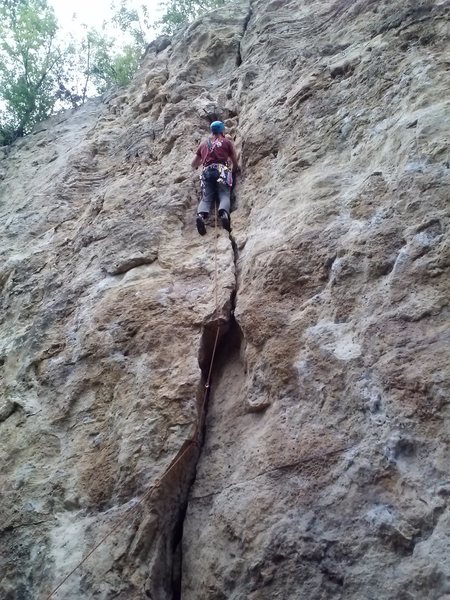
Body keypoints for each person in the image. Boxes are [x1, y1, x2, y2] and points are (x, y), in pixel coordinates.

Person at [192, 120, 239, 235]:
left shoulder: (203, 144)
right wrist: (234, 170)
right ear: (222, 130)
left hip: (207, 171)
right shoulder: (226, 142)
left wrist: (203, 161)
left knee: (206, 197)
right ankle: (223, 214)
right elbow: (234, 160)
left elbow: (194, 164)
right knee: (224, 194)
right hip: (222, 170)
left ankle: (201, 216)